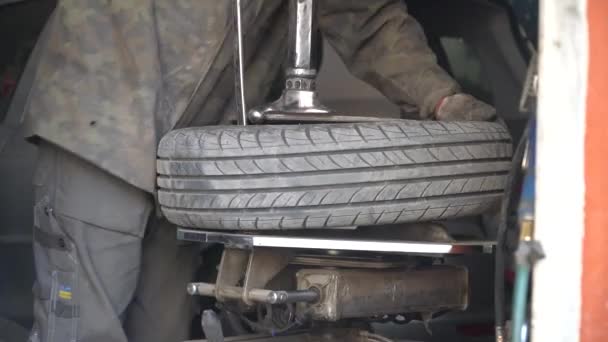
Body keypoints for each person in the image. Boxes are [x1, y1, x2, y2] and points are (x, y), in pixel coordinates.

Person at [22, 1, 496, 341]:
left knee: (161, 330)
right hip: (100, 121)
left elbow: (364, 17)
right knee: (87, 327)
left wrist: (439, 98)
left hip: (196, 161)